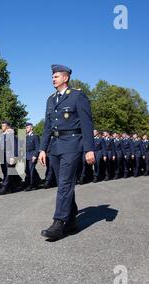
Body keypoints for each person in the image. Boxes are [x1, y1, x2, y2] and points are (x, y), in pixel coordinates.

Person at [39, 65, 95, 240]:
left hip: (72, 145)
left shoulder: (78, 96)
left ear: (65, 78)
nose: (53, 79)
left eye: (56, 76)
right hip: (55, 147)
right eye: (52, 76)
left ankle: (58, 223)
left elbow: (87, 124)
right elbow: (48, 126)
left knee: (64, 184)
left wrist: (89, 149)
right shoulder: (51, 99)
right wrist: (42, 148)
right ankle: (71, 221)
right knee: (62, 183)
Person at [24, 122, 41, 191]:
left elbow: (37, 147)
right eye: (26, 127)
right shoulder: (26, 136)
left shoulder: (35, 136)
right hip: (27, 156)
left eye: (27, 127)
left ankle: (32, 185)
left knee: (31, 170)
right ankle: (37, 181)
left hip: (32, 156)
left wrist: (35, 155)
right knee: (27, 170)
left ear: (31, 127)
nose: (26, 128)